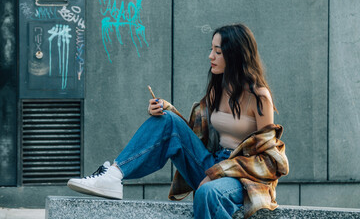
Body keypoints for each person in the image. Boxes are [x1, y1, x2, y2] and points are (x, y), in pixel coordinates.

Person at [67, 23, 289, 219]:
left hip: (242, 178)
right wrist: (165, 108)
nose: (210, 56)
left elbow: (269, 161)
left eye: (218, 51)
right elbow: (188, 133)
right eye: (211, 49)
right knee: (167, 120)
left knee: (208, 192)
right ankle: (114, 176)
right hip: (211, 163)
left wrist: (218, 173)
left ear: (235, 55)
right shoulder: (217, 91)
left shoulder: (259, 96)